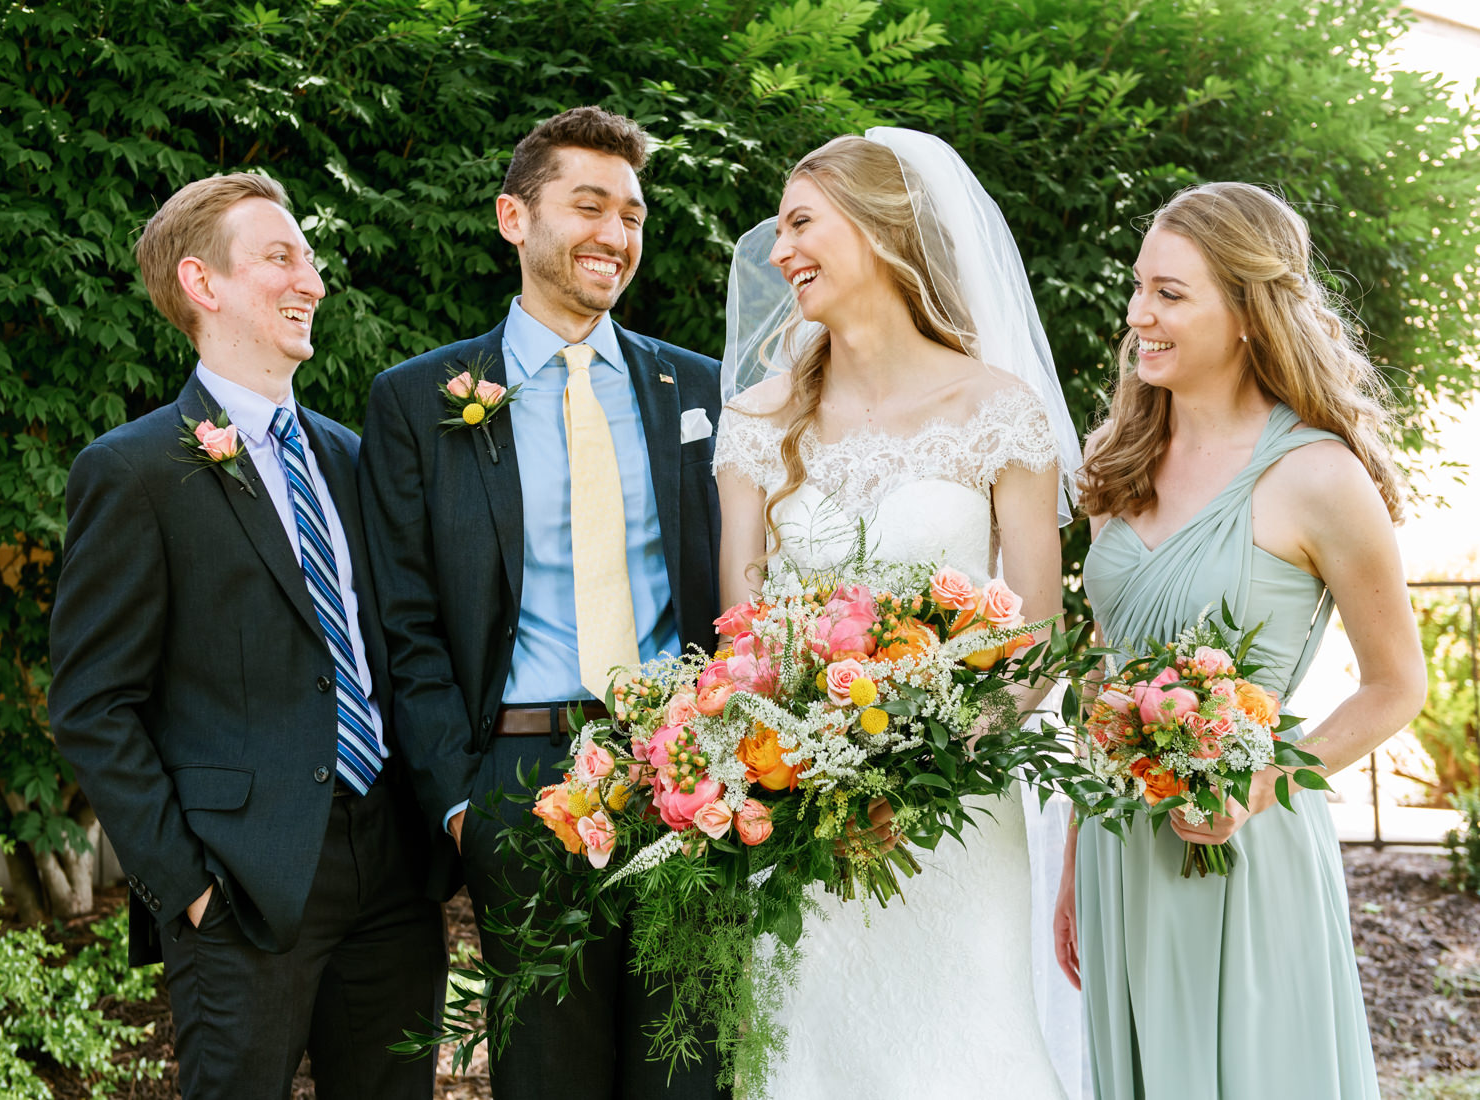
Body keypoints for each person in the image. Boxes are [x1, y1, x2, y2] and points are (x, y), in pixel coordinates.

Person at [47, 173, 447, 1100]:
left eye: (308, 258)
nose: (311, 279)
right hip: (239, 886)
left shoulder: (354, 457)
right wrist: (184, 884)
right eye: (281, 257)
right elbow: (91, 704)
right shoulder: (134, 471)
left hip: (391, 871)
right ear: (202, 282)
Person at [358, 106, 726, 1099]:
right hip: (520, 777)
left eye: (634, 214)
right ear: (513, 219)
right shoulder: (419, 400)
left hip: (686, 768)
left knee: (687, 1071)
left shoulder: (698, 388)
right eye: (589, 205)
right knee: (548, 1078)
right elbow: (405, 623)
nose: (616, 233)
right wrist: (464, 805)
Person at [714, 128, 1084, 1097]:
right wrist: (821, 774)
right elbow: (742, 641)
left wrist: (916, 768)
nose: (779, 249)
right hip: (804, 822)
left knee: (965, 1055)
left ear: (880, 229)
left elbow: (1035, 643)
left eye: (801, 222)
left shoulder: (998, 409)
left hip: (954, 817)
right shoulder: (757, 421)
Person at [1053, 181, 1428, 1099]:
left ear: (1248, 314)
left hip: (1243, 840)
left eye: (1170, 294)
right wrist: (1071, 862)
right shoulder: (1119, 458)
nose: (1139, 313)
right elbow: (1105, 675)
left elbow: (1394, 685)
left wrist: (1261, 782)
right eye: (1139, 287)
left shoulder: (1318, 476)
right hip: (1116, 842)